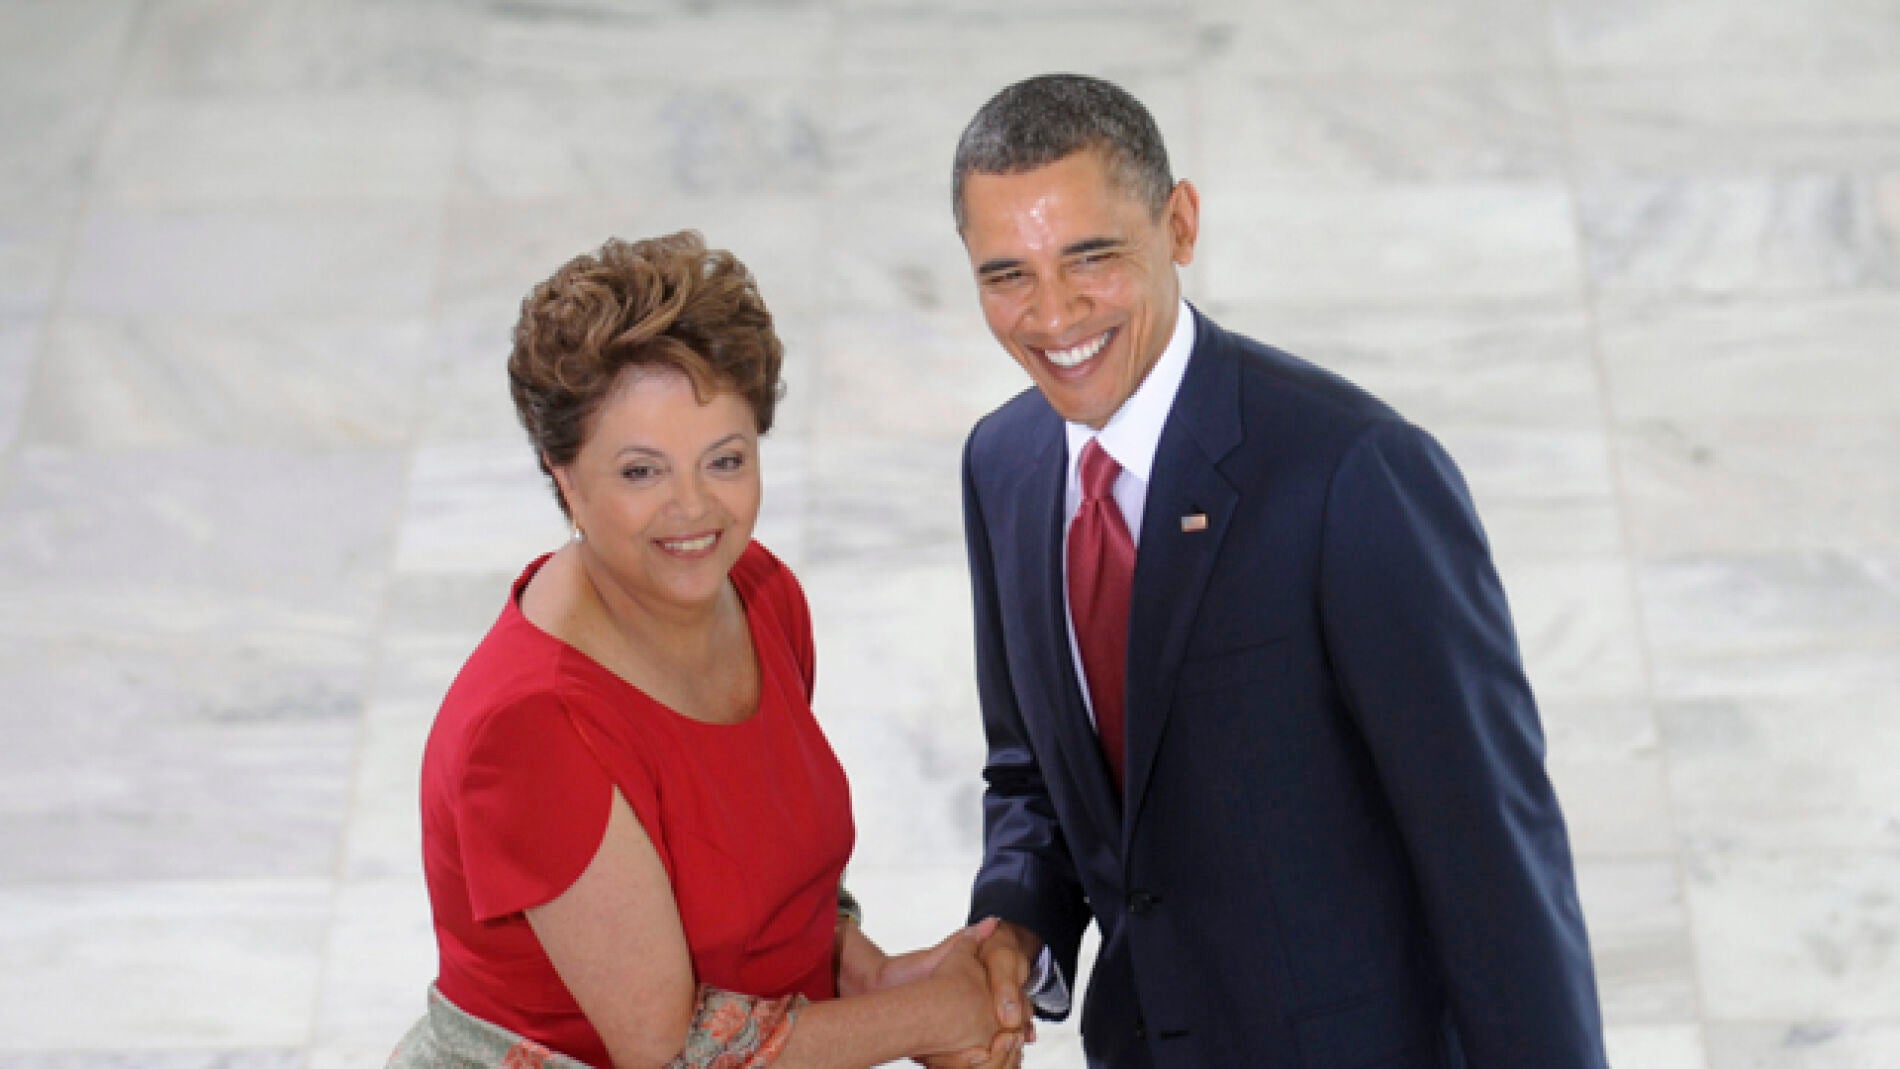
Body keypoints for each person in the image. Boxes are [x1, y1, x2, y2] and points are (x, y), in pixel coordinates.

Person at [938, 74, 1610, 1068]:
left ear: (1179, 223)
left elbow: (1493, 864)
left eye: (1092, 257)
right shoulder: (1004, 465)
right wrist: (1014, 920)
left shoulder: (1352, 475)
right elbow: (1033, 770)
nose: (1052, 313)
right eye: (1007, 276)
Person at [396, 232, 1026, 1069]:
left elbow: (770, 890)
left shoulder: (760, 593)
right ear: (565, 477)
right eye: (641, 472)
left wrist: (884, 975)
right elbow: (672, 1055)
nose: (694, 509)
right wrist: (928, 1018)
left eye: (724, 460)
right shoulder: (532, 729)